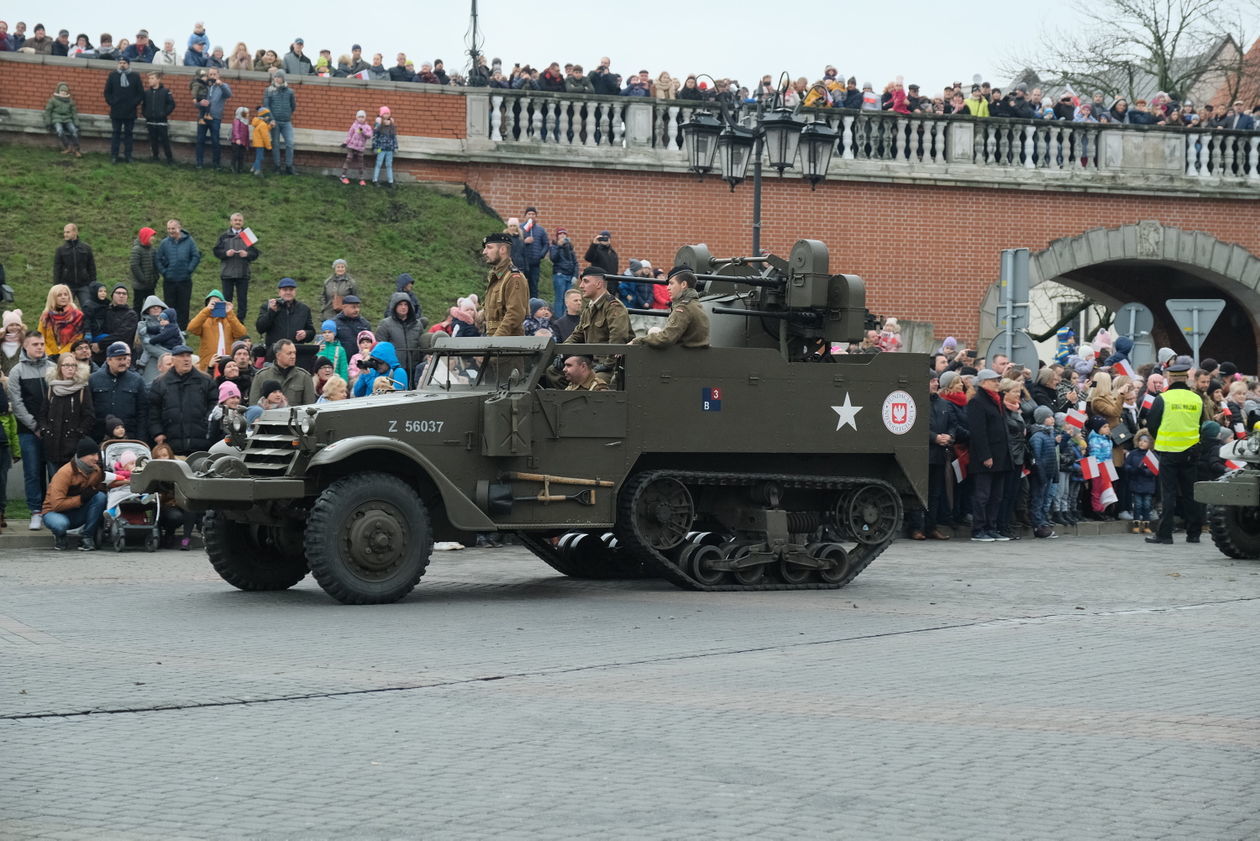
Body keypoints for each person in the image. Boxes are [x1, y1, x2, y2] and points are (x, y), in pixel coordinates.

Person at [1146, 356, 1205, 545]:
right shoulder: (1197, 399)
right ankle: (1194, 533)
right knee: (1190, 493)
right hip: (1190, 451)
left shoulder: (1163, 398)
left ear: (1170, 379)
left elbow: (1152, 425)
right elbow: (1201, 424)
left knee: (1169, 493)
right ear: (1186, 379)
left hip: (1168, 451)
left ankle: (1165, 534)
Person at [965, 369, 1011, 542]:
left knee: (996, 495)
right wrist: (985, 455)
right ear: (983, 383)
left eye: (998, 380)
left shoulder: (996, 401)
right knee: (982, 495)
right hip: (986, 456)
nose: (997, 383)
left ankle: (991, 527)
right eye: (994, 380)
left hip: (1000, 456)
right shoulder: (977, 402)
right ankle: (978, 529)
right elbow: (978, 432)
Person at [41, 437, 110, 551]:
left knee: (100, 497)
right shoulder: (64, 473)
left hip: (77, 512)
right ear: (82, 455)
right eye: (92, 455)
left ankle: (87, 537)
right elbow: (56, 504)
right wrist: (81, 499)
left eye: (97, 454)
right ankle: (60, 535)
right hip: (54, 512)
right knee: (61, 525)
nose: (96, 458)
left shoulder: (96, 470)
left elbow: (100, 490)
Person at [149, 345, 217, 455]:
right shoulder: (160, 383)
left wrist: (206, 424)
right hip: (172, 444)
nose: (186, 359)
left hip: (202, 443)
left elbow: (214, 405)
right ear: (173, 360)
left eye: (188, 356)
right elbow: (153, 411)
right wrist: (158, 432)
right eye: (181, 356)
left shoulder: (205, 380)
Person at [36, 352, 94, 471]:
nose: (70, 368)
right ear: (59, 368)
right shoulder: (52, 388)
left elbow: (89, 416)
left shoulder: (82, 388)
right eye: (66, 365)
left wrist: (79, 433)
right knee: (55, 484)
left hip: (73, 447)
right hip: (52, 446)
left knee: (73, 485)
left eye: (73, 365)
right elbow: (43, 413)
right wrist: (45, 430)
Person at [629, 266, 709, 348]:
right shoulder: (695, 304)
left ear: (683, 284)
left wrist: (638, 341)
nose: (668, 288)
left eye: (671, 283)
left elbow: (666, 338)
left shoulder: (683, 308)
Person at [89, 342, 147, 441]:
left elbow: (142, 412)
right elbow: (89, 410)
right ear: (108, 360)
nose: (123, 362)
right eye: (118, 359)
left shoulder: (137, 380)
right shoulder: (94, 379)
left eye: (124, 359)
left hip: (128, 436)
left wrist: (140, 439)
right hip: (100, 436)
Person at [155, 219, 201, 329]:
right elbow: (157, 259)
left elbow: (196, 256)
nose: (171, 231)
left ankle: (183, 329)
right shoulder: (164, 243)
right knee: (169, 305)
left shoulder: (189, 241)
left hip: (184, 280)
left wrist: (189, 269)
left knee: (184, 305)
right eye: (169, 229)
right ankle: (170, 327)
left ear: (179, 228)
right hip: (169, 281)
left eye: (173, 229)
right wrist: (165, 272)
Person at [481, 233, 530, 337]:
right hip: (495, 340)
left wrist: (496, 340)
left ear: (502, 250)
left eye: (489, 248)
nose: (484, 252)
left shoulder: (513, 277)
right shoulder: (497, 277)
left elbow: (515, 314)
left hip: (508, 345)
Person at [212, 213, 260, 316]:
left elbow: (255, 253)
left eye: (240, 220)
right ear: (231, 222)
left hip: (243, 273)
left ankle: (240, 323)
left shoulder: (248, 235)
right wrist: (225, 253)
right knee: (226, 299)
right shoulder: (224, 236)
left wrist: (247, 254)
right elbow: (216, 251)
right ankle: (226, 322)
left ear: (243, 222)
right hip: (227, 273)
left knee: (242, 301)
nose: (237, 222)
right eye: (235, 220)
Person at [188, 290, 246, 371]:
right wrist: (206, 310)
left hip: (227, 364)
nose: (216, 306)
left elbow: (241, 333)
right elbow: (191, 328)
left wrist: (230, 313)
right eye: (213, 303)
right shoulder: (204, 320)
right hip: (208, 364)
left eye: (219, 304)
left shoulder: (229, 320)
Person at [249, 339, 314, 407]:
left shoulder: (304, 377)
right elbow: (254, 406)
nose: (293, 356)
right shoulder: (261, 376)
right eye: (289, 353)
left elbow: (309, 408)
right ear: (278, 355)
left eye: (294, 353)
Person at [375, 294, 426, 380]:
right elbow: (381, 348)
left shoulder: (417, 325)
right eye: (400, 304)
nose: (403, 307)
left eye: (406, 304)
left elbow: (421, 346)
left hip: (414, 369)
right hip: (393, 370)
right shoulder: (385, 324)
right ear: (394, 306)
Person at [256, 278, 314, 353]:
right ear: (279, 292)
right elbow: (260, 328)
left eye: (291, 289)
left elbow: (312, 332)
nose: (288, 292)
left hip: (296, 351)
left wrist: (306, 334)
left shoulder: (304, 309)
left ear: (295, 291)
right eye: (285, 290)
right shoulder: (268, 306)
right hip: (275, 352)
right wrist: (271, 312)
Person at [103, 57, 143, 164]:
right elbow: (107, 92)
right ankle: (114, 156)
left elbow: (140, 93)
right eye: (120, 63)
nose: (122, 65)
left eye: (124, 63)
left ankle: (128, 156)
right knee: (116, 133)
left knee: (128, 134)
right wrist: (112, 102)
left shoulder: (135, 76)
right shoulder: (113, 76)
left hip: (130, 111)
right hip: (116, 110)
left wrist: (133, 104)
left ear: (128, 64)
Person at [53, 223, 98, 311]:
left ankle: (86, 325)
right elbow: (57, 269)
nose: (65, 234)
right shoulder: (60, 250)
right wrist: (57, 287)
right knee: (64, 310)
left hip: (84, 285)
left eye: (68, 232)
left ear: (75, 232)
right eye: (64, 232)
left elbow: (92, 267)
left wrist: (93, 285)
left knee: (88, 308)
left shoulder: (86, 248)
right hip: (67, 286)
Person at [194, 67, 231, 170]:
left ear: (218, 75)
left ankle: (216, 164)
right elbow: (196, 103)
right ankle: (199, 163)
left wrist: (221, 84)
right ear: (208, 75)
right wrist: (199, 103)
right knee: (200, 140)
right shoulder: (203, 86)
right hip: (202, 117)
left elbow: (228, 94)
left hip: (215, 118)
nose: (212, 76)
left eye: (215, 74)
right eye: (211, 74)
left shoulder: (223, 86)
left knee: (215, 141)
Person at [262, 72, 297, 174]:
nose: (277, 79)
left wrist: (287, 114)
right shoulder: (268, 91)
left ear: (283, 79)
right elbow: (266, 106)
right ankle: (277, 166)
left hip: (286, 122)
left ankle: (289, 166)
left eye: (279, 77)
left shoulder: (290, 92)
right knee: (275, 144)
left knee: (290, 144)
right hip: (274, 122)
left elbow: (293, 106)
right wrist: (271, 119)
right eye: (276, 77)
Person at [92, 284, 138, 361]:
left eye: (124, 294)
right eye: (118, 293)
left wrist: (100, 345)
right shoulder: (106, 311)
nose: (121, 296)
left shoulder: (131, 314)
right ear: (112, 295)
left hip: (121, 352)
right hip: (102, 353)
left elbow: (122, 335)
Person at [38, 285, 85, 357]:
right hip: (48, 356)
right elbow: (40, 336)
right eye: (59, 295)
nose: (63, 297)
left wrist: (61, 354)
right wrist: (49, 354)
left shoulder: (77, 315)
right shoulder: (46, 315)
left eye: (66, 294)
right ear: (53, 298)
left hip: (70, 356)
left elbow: (77, 339)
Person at [141, 71, 175, 163]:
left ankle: (169, 159)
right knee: (153, 140)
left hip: (161, 121)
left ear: (158, 79)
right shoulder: (147, 93)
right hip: (150, 120)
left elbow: (171, 104)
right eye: (149, 78)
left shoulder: (165, 91)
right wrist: (145, 114)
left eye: (152, 78)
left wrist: (163, 113)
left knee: (165, 140)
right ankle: (155, 157)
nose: (149, 80)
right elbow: (143, 105)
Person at [44, 81, 82, 157]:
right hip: (57, 119)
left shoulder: (70, 101)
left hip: (68, 119)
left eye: (65, 91)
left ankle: (76, 149)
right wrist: (48, 123)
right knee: (59, 131)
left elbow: (74, 113)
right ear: (59, 91)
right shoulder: (53, 100)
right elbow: (48, 112)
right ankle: (68, 147)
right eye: (62, 91)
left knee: (74, 131)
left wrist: (77, 124)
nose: (63, 92)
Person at [520, 207, 549, 299]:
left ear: (536, 217)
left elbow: (546, 244)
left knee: (534, 286)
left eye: (533, 214)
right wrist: (524, 241)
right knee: (522, 286)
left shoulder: (541, 230)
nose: (531, 216)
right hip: (523, 263)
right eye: (529, 214)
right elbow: (515, 244)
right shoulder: (520, 228)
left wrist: (541, 255)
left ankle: (533, 306)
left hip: (535, 263)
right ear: (525, 216)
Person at [129, 227, 159, 313]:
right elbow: (134, 266)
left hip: (150, 285)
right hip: (139, 286)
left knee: (151, 307)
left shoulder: (153, 250)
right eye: (151, 236)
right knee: (138, 306)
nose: (153, 238)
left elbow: (156, 265)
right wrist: (143, 279)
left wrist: (155, 278)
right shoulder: (137, 249)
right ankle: (136, 323)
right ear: (146, 236)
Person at [339, 110, 374, 186]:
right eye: (359, 117)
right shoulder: (354, 125)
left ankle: (361, 179)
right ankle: (343, 176)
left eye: (362, 117)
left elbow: (369, 135)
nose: (361, 118)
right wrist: (345, 142)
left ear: (365, 118)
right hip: (352, 146)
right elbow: (350, 135)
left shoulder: (367, 127)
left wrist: (362, 131)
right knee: (348, 160)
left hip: (360, 147)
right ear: (357, 117)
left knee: (361, 163)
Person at [333, 295, 372, 360]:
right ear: (344, 307)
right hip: (341, 360)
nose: (357, 310)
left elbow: (370, 343)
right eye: (353, 307)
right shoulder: (334, 323)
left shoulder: (365, 324)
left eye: (358, 307)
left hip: (360, 362)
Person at [549, 228, 578, 313]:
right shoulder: (554, 247)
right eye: (560, 234)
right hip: (560, 275)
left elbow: (575, 263)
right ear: (557, 236)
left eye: (564, 234)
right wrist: (559, 246)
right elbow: (553, 258)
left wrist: (575, 276)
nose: (562, 235)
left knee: (568, 299)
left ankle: (567, 317)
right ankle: (558, 320)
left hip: (570, 276)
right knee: (560, 298)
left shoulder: (570, 247)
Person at [584, 231, 620, 295]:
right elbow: (588, 258)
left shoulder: (612, 253)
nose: (605, 239)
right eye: (603, 238)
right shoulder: (596, 250)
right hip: (600, 282)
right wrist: (594, 244)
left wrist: (615, 284)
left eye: (607, 238)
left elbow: (615, 270)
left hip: (612, 284)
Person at [372, 106, 397, 186]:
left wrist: (395, 147)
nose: (386, 115)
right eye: (384, 113)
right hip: (380, 149)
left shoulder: (392, 126)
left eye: (388, 113)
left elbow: (394, 137)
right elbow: (375, 136)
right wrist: (375, 147)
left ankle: (390, 181)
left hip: (389, 149)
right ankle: (375, 180)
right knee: (378, 163)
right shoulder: (379, 125)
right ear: (381, 115)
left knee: (389, 165)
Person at [250, 106, 273, 176]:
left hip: (257, 143)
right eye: (268, 116)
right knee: (259, 157)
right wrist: (269, 146)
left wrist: (270, 126)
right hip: (260, 144)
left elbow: (265, 130)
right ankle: (257, 171)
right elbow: (265, 136)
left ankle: (253, 168)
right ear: (264, 116)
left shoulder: (259, 122)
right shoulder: (263, 124)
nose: (269, 118)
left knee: (259, 156)